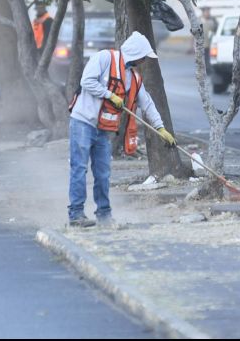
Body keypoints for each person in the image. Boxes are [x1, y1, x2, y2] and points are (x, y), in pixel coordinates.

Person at [67, 31, 176, 227]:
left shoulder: (133, 77)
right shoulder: (103, 58)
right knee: (79, 168)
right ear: (136, 53)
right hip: (83, 121)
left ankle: (104, 215)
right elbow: (87, 82)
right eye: (143, 56)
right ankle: (76, 215)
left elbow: (147, 103)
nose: (143, 60)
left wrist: (161, 128)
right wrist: (109, 95)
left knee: (103, 172)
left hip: (102, 128)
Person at [201, 7, 217, 73]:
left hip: (210, 44)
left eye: (208, 12)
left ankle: (209, 70)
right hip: (202, 44)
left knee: (210, 58)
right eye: (206, 12)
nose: (207, 13)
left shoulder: (213, 20)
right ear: (203, 13)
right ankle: (203, 70)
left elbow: (216, 30)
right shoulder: (200, 20)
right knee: (202, 58)